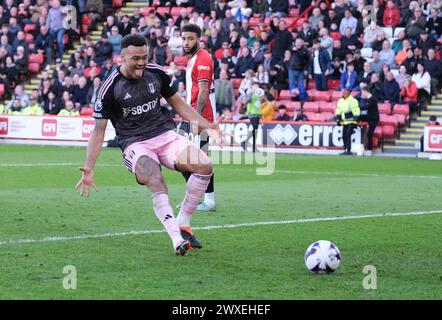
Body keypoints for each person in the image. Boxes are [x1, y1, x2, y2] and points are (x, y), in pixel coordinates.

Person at [75, 34, 225, 256]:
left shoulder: (156, 73)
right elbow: (98, 131)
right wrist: (89, 168)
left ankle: (183, 223)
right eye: (136, 58)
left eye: (144, 57)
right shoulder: (109, 87)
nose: (142, 62)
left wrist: (206, 126)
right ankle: (176, 238)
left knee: (204, 164)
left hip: (164, 135)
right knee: (155, 178)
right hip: (136, 144)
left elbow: (179, 105)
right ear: (122, 57)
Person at [178, 24, 217, 213]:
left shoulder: (203, 58)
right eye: (184, 38)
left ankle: (208, 201)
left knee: (197, 159)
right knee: (184, 158)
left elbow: (203, 91)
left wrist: (197, 119)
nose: (186, 42)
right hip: (191, 114)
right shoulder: (193, 58)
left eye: (190, 38)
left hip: (200, 117)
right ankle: (196, 199)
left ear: (199, 39)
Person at [336, 88, 361, 155]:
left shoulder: (353, 100)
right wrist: (338, 118)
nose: (344, 93)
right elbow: (338, 110)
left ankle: (348, 150)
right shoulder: (340, 101)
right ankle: (346, 149)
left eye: (346, 92)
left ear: (349, 93)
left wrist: (356, 117)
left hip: (352, 121)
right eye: (344, 92)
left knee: (348, 135)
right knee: (344, 136)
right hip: (345, 122)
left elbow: (356, 110)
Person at [358, 83, 379, 151]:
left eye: (362, 92)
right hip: (369, 117)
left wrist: (358, 104)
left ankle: (370, 149)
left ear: (365, 91)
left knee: (370, 134)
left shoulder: (372, 99)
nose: (362, 94)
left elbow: (364, 107)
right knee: (358, 118)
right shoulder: (369, 99)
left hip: (373, 119)